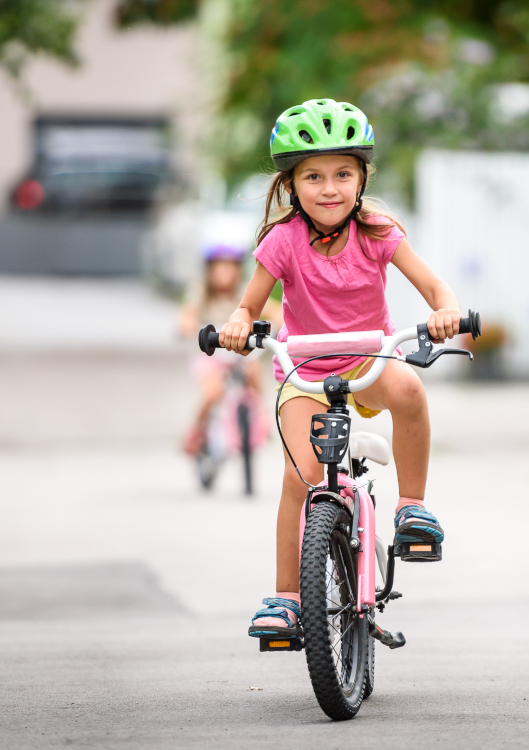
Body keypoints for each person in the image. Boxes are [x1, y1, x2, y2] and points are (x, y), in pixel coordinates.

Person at [215, 99, 464, 638]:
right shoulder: (282, 241)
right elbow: (248, 305)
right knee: (300, 477)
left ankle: (413, 510)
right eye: (314, 176)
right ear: (291, 186)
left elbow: (434, 287)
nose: (330, 188)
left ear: (362, 177)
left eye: (343, 174)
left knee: (412, 392)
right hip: (303, 372)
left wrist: (444, 310)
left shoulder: (376, 232)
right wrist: (239, 324)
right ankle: (285, 598)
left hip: (370, 361)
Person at [180, 244, 262, 456]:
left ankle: (258, 420)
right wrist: (187, 323)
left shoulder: (244, 292)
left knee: (254, 375)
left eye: (229, 267)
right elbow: (188, 313)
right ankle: (196, 431)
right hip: (211, 354)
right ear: (210, 271)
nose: (225, 273)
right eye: (219, 267)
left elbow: (270, 308)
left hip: (237, 353)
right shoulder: (201, 292)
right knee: (213, 392)